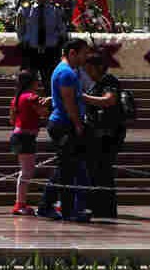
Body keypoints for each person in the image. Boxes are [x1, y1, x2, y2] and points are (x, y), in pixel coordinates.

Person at [37, 38, 94, 223]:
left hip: (64, 123)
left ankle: (47, 205)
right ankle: (67, 211)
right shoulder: (66, 73)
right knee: (67, 170)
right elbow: (69, 102)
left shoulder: (66, 72)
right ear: (72, 53)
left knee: (65, 168)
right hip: (64, 124)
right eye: (83, 53)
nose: (86, 57)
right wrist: (77, 123)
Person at [79, 55, 126, 218]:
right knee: (97, 172)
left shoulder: (108, 81)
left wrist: (83, 97)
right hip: (98, 134)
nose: (87, 71)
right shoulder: (98, 83)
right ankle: (98, 206)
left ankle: (105, 209)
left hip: (106, 136)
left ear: (97, 67)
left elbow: (109, 100)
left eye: (88, 68)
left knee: (102, 172)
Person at [10, 70, 46, 216]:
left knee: (25, 171)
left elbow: (12, 120)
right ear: (31, 82)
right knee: (27, 172)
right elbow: (43, 113)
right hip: (26, 137)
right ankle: (20, 204)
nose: (38, 82)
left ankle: (21, 203)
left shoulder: (16, 98)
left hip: (18, 134)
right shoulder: (31, 97)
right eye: (36, 80)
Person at [20, 0, 66, 76]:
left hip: (50, 52)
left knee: (49, 84)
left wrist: (56, 45)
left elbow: (62, 31)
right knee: (28, 82)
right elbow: (20, 29)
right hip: (31, 51)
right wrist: (25, 42)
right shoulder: (26, 8)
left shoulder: (56, 9)